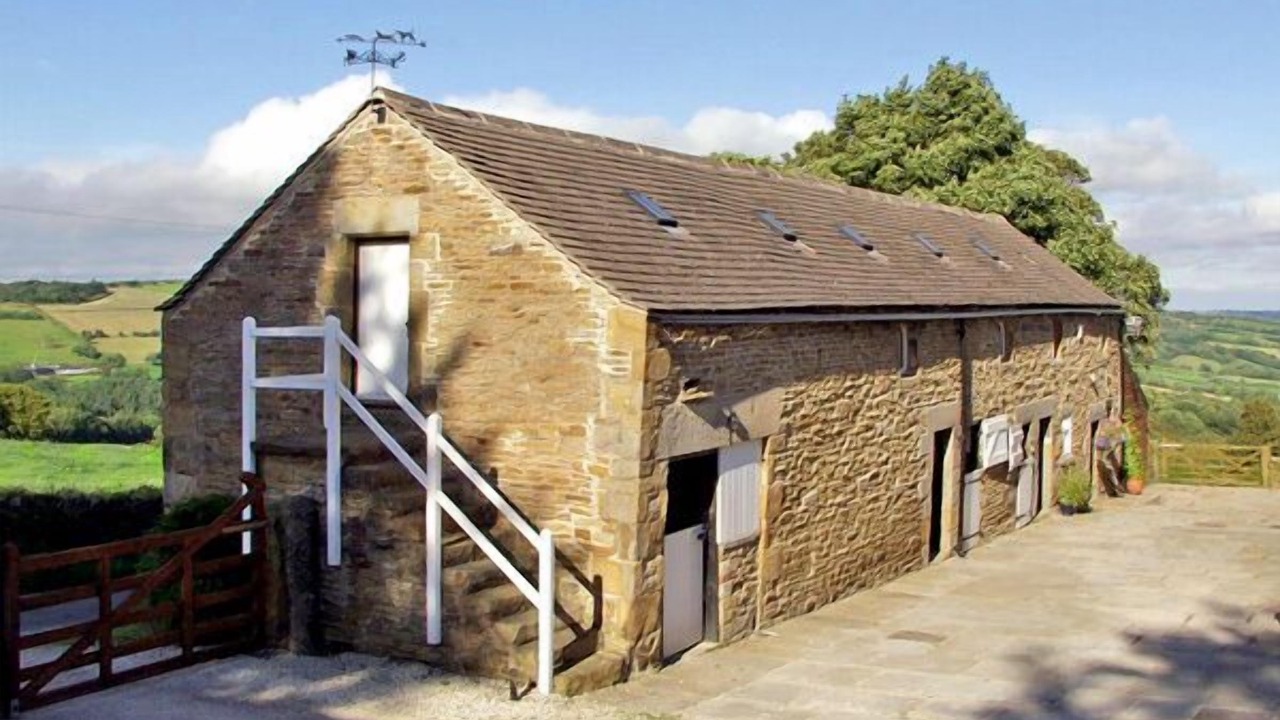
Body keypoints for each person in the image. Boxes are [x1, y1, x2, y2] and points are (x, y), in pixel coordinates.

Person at [1094, 403, 1128, 496]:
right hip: (1106, 446)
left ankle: (1115, 486)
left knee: (1108, 465)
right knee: (1107, 465)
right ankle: (1115, 486)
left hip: (1107, 446)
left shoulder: (1111, 421)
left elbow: (1121, 436)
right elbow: (1121, 436)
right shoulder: (1109, 420)